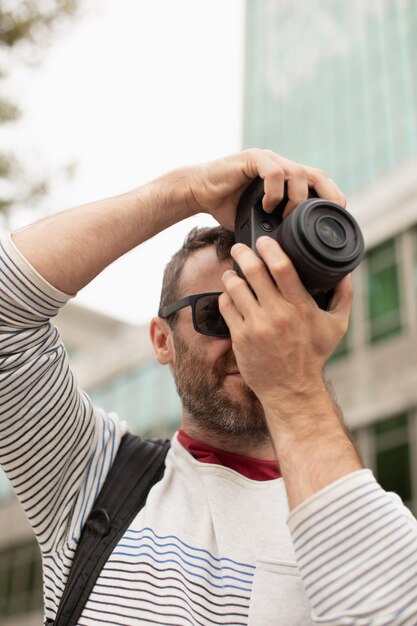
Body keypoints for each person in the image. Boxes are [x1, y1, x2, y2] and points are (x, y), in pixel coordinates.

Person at [1, 148, 416, 625]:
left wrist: (295, 389)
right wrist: (187, 190)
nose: (250, 333)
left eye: (271, 308)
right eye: (220, 313)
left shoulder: (351, 508)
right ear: (162, 340)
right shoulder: (90, 477)